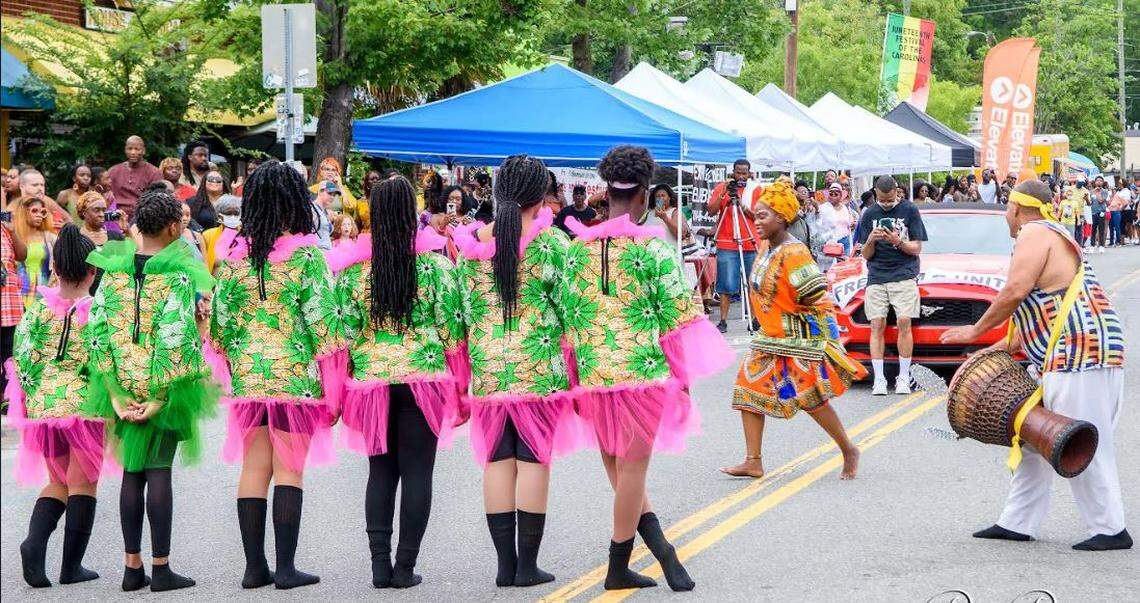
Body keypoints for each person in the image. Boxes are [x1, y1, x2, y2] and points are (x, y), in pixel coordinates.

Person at [559, 145, 733, 592]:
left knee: (620, 473)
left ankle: (664, 553)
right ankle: (618, 567)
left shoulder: (574, 250)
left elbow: (566, 320)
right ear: (642, 197)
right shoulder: (653, 250)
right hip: (641, 375)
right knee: (632, 473)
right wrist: (684, 380)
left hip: (594, 377)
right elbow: (677, 321)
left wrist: (576, 377)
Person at [941, 179, 1130, 551]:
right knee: (1032, 436)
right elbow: (1024, 326)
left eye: (1006, 211)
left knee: (1082, 437)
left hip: (1079, 353)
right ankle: (1017, 522)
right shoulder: (1048, 235)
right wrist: (987, 352)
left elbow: (1014, 292)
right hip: (1075, 351)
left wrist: (974, 331)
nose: (1006, 218)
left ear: (1014, 209)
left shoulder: (1034, 232)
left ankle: (1110, 528)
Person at [323, 176, 465, 589]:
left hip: (371, 384)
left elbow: (343, 335)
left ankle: (379, 567)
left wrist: (340, 387)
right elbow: (454, 331)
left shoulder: (353, 273)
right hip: (424, 378)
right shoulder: (436, 266)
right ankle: (405, 568)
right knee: (419, 472)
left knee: (380, 472)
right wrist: (460, 388)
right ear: (411, 212)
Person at [209, 160, 344, 590]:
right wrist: (335, 388)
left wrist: (241, 363)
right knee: (290, 470)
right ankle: (285, 568)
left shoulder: (232, 262)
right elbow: (326, 328)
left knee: (254, 467)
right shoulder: (307, 259)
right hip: (296, 377)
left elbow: (219, 329)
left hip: (250, 377)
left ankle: (253, 568)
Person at [450, 155, 581, 589]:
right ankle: (527, 566)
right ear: (539, 195)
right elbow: (570, 311)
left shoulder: (471, 249)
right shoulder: (551, 245)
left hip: (487, 371)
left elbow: (462, 314)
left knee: (497, 461)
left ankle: (504, 566)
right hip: (538, 372)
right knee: (534, 460)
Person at [84, 186, 218, 592]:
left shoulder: (114, 271)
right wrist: (160, 397)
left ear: (138, 224)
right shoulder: (177, 275)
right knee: (159, 470)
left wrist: (112, 392)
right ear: (177, 227)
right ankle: (160, 569)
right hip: (163, 384)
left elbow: (98, 330)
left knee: (132, 472)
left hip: (121, 382)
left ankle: (131, 568)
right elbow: (176, 334)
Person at [724, 179, 864, 481]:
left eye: (764, 216)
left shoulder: (794, 253)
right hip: (768, 339)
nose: (757, 222)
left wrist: (830, 340)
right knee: (747, 390)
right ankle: (753, 461)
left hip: (798, 341)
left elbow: (817, 296)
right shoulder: (765, 248)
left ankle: (848, 449)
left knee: (810, 398)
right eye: (756, 216)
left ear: (783, 218)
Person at [9, 225, 105, 588]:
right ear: (93, 271)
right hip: (84, 406)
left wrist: (37, 396)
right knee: (84, 484)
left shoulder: (36, 312)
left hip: (44, 405)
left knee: (57, 480)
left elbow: (22, 358)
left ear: (57, 271)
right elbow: (103, 361)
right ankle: (71, 567)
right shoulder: (98, 313)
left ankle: (34, 543)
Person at [856, 175, 928, 396]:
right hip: (877, 275)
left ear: (897, 191)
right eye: (882, 200)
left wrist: (897, 241)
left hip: (904, 274)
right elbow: (865, 255)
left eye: (890, 199)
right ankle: (879, 379)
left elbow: (917, 248)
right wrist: (871, 240)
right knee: (876, 324)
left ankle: (903, 377)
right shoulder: (869, 214)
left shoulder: (910, 210)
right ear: (875, 194)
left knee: (904, 321)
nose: (887, 203)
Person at [708, 159, 763, 333]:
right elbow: (710, 210)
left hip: (750, 241)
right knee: (726, 285)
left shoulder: (755, 190)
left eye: (744, 173)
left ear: (749, 173)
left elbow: (761, 217)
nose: (740, 176)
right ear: (733, 172)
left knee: (753, 284)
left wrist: (744, 208)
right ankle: (723, 321)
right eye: (737, 172)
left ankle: (754, 320)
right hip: (727, 243)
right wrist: (724, 193)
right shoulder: (723, 187)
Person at [1, 207, 28, 398]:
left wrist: (12, 229)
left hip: (11, 306)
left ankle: (8, 401)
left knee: (10, 357)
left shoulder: (5, 228)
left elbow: (23, 255)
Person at [13, 196, 57, 307]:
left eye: (42, 212)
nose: (39, 215)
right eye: (34, 211)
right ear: (24, 213)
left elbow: (61, 263)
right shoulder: (14, 237)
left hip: (45, 292)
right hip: (19, 292)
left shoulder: (50, 238)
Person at [107, 136, 163, 221]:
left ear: (144, 151)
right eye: (129, 149)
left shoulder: (154, 172)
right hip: (115, 216)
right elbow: (105, 195)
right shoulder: (113, 171)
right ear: (125, 150)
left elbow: (156, 201)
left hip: (142, 217)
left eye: (137, 149)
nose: (133, 152)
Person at [309, 157, 360, 224]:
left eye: (333, 170)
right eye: (327, 169)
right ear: (321, 172)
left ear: (337, 173)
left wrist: (340, 186)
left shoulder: (342, 189)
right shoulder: (312, 189)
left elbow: (351, 207)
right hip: (319, 224)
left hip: (339, 226)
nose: (330, 172)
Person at [202, 194, 241, 273]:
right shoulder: (208, 235)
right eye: (229, 213)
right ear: (219, 216)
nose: (233, 216)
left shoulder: (247, 237)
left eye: (236, 213)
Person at [818, 182, 856, 255]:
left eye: (836, 194)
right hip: (831, 242)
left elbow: (849, 223)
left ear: (841, 196)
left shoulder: (844, 208)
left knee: (845, 264)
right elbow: (818, 224)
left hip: (845, 240)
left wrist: (852, 225)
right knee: (834, 264)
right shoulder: (822, 208)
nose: (833, 196)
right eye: (831, 194)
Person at [1089, 177, 1109, 253]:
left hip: (1101, 213)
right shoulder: (1091, 191)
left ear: (1103, 182)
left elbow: (1101, 200)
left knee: (1101, 230)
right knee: (1093, 230)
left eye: (1101, 181)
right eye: (1098, 180)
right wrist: (1087, 199)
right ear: (1095, 182)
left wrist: (1097, 192)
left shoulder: (1105, 191)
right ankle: (1092, 245)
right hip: (1093, 213)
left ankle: (1101, 246)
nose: (1099, 182)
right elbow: (1090, 203)